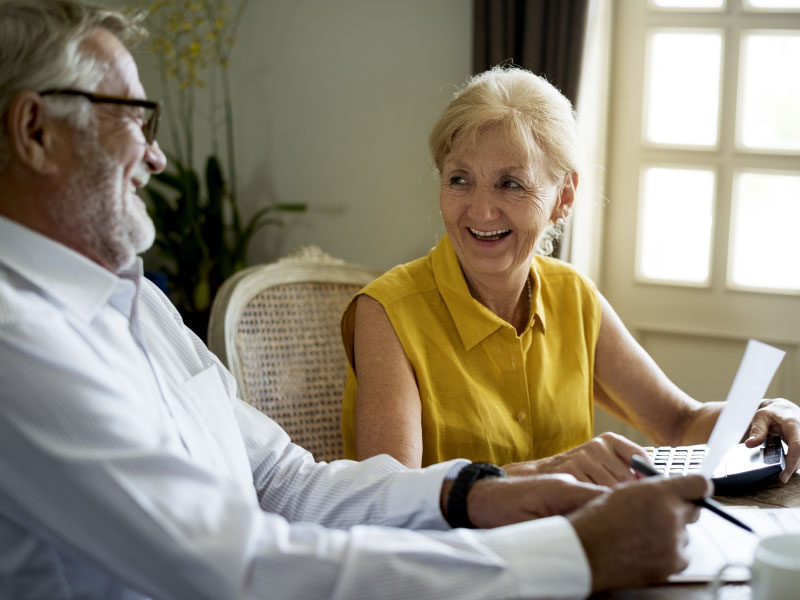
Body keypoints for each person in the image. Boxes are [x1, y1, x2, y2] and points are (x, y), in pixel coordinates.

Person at [0, 1, 716, 598]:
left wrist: (481, 492)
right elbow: (235, 567)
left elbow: (287, 481)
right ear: (35, 131)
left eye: (510, 183)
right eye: (130, 116)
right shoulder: (17, 341)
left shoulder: (140, 305)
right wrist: (574, 557)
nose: (156, 156)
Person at [340, 66, 800, 486]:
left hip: (573, 555)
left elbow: (679, 422)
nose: (480, 210)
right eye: (460, 179)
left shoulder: (572, 296)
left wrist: (764, 415)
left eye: (510, 183)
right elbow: (391, 498)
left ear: (564, 195)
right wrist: (545, 472)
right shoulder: (386, 313)